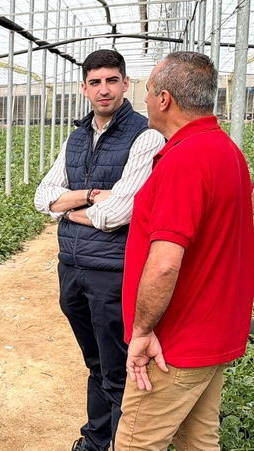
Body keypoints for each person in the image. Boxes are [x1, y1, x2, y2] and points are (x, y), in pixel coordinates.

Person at [115, 51, 254, 450]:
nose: (143, 99)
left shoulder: (185, 159)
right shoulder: (227, 151)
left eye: (147, 91)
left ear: (164, 100)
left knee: (136, 443)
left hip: (175, 342)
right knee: (198, 440)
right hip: (213, 333)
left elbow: (163, 265)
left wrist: (142, 331)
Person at [34, 49, 165, 451]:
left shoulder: (146, 135)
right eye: (95, 82)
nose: (103, 89)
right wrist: (91, 196)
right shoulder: (76, 137)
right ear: (84, 88)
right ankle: (96, 437)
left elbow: (120, 212)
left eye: (111, 80)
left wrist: (69, 208)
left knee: (117, 366)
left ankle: (118, 443)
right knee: (95, 362)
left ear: (126, 83)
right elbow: (42, 197)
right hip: (71, 267)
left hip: (112, 271)